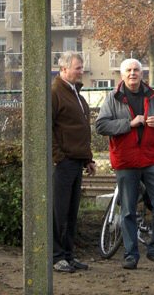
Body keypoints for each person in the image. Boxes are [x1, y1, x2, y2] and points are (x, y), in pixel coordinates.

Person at [96, 58, 154, 271]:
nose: (133, 73)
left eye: (136, 70)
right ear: (122, 75)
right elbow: (101, 125)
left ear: (142, 74)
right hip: (126, 161)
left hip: (152, 160)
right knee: (129, 211)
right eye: (129, 70)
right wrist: (128, 124)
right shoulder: (112, 98)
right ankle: (131, 255)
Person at [51, 51, 96, 273]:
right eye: (78, 68)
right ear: (64, 69)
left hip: (75, 161)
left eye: (81, 67)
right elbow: (47, 127)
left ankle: (68, 255)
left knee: (70, 211)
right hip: (63, 162)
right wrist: (57, 157)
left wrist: (87, 159)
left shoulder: (75, 94)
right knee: (59, 211)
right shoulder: (55, 93)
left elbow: (79, 129)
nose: (82, 71)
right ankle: (57, 256)